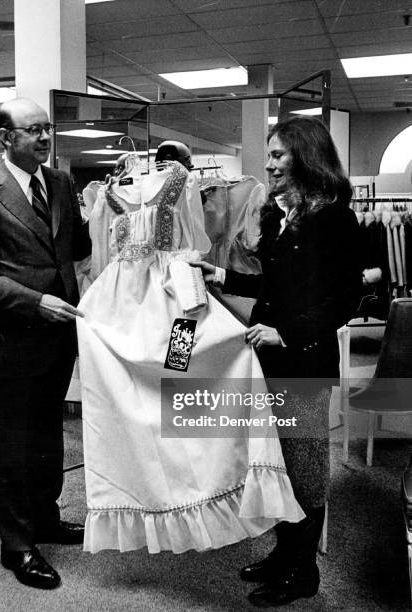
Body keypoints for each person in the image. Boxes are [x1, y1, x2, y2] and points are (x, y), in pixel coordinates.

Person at [76, 152, 304, 556]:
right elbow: (100, 258)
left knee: (179, 381)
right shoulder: (108, 195)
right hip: (121, 308)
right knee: (131, 393)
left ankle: (200, 478)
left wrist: (198, 288)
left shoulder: (180, 182)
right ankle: (152, 482)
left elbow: (195, 244)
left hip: (175, 300)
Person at [192, 115, 362, 607]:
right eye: (268, 156)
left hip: (304, 362)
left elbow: (343, 299)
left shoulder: (334, 218)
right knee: (278, 461)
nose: (268, 165)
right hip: (269, 361)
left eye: (277, 156)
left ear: (306, 157)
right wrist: (223, 277)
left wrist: (286, 332)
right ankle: (284, 553)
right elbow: (274, 284)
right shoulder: (277, 214)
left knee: (305, 465)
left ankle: (302, 571)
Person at [0, 97, 92, 590]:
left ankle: (47, 517)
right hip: (17, 335)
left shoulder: (59, 182)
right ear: (6, 139)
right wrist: (36, 302)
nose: (46, 138)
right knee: (14, 438)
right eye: (34, 131)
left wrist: (104, 214)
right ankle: (17, 544)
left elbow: (76, 249)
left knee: (47, 431)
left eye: (47, 129)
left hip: (60, 335)